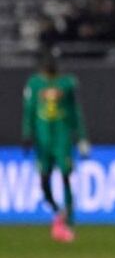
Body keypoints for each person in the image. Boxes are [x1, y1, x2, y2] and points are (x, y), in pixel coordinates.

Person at [21, 51, 89, 242]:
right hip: (43, 141)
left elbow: (76, 111)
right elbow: (29, 111)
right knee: (44, 181)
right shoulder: (34, 84)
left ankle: (69, 221)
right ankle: (58, 211)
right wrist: (27, 135)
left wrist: (82, 138)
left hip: (62, 140)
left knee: (66, 176)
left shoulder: (67, 84)